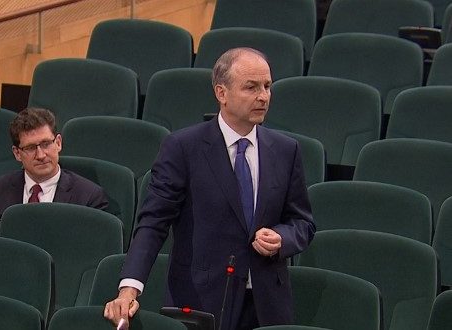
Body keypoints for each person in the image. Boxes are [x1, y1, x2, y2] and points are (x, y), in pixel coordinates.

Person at [104, 48, 315, 330]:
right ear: (221, 93)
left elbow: (302, 222)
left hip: (266, 304)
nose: (263, 96)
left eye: (267, 86)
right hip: (202, 301)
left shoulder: (286, 150)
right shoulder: (183, 148)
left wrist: (282, 238)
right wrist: (130, 287)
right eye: (251, 87)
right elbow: (154, 222)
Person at [0, 107, 108, 215]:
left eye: (46, 144)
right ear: (17, 153)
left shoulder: (89, 198)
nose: (41, 155)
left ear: (58, 143)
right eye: (30, 148)